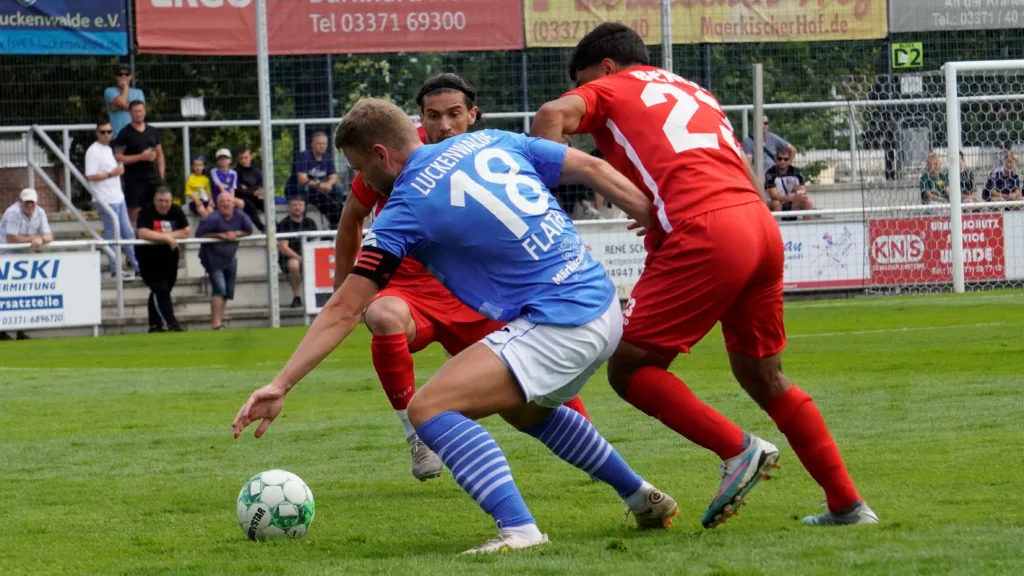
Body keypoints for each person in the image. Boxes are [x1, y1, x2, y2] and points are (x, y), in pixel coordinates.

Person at [233, 98, 678, 554]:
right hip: (598, 297)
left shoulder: (404, 208)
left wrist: (281, 384)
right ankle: (641, 496)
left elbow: (344, 310)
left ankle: (519, 531)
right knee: (525, 410)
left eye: (360, 167)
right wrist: (657, 224)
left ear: (382, 155)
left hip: (562, 320)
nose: (361, 180)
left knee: (429, 409)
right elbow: (591, 168)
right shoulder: (490, 140)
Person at [531, 22, 876, 527]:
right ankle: (847, 504)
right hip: (758, 224)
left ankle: (737, 450)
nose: (582, 94)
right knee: (763, 375)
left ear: (605, 68)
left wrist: (546, 197)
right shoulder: (695, 91)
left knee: (629, 368)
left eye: (583, 81)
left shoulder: (607, 87)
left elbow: (549, 116)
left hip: (707, 229)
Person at [333, 73, 592, 481]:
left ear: (473, 115)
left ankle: (593, 448)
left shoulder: (489, 153)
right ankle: (415, 435)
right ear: (420, 118)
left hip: (477, 295)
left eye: (454, 114)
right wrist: (344, 295)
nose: (444, 125)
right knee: (383, 317)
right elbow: (351, 219)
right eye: (433, 116)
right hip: (412, 295)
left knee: (537, 361)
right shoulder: (392, 158)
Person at [84, 118, 140, 278]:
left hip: (117, 197)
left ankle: (135, 264)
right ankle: (115, 268)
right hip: (105, 200)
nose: (106, 135)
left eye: (109, 132)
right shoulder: (93, 151)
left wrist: (116, 172)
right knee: (112, 235)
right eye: (103, 132)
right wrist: (111, 174)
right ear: (97, 133)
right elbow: (90, 175)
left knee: (128, 232)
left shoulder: (108, 149)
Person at [0, 188, 53, 341]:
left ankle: (19, 330)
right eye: (27, 202)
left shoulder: (40, 212)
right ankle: (2, 330)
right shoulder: (13, 213)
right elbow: (11, 238)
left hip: (22, 257)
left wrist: (41, 239)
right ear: (21, 202)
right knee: (5, 294)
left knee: (21, 294)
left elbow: (49, 235)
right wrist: (33, 238)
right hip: (5, 256)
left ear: (36, 202)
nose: (29, 205)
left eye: (32, 202)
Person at [136, 186, 190, 333]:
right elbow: (142, 232)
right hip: (149, 260)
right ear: (154, 200)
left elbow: (186, 232)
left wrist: (166, 237)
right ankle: (172, 323)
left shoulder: (176, 210)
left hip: (170, 259)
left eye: (167, 201)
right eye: (160, 201)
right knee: (161, 290)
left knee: (160, 292)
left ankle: (154, 325)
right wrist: (166, 237)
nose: (164, 204)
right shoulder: (147, 211)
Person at [196, 193, 253, 330]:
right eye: (222, 202)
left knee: (227, 291)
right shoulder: (211, 219)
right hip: (212, 258)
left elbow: (249, 230)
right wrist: (219, 235)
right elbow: (199, 234)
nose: (226, 204)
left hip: (230, 257)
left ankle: (219, 322)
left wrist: (236, 233)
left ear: (233, 203)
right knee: (219, 288)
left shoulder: (240, 216)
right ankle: (215, 325)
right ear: (217, 205)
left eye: (228, 201)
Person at [112, 100, 165, 227]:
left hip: (153, 178)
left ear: (145, 112)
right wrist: (140, 157)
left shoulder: (152, 131)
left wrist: (161, 176)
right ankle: (133, 240)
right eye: (135, 111)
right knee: (134, 210)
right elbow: (117, 156)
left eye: (140, 111)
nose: (138, 114)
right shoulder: (125, 133)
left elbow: (160, 154)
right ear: (130, 113)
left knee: (158, 207)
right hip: (134, 179)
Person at [286, 132, 342, 229]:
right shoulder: (304, 156)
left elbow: (334, 177)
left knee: (338, 189)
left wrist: (328, 184)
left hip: (319, 190)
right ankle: (303, 225)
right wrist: (320, 185)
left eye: (324, 144)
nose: (322, 146)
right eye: (319, 143)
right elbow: (302, 178)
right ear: (312, 144)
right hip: (301, 189)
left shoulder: (328, 157)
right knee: (306, 190)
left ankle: (337, 221)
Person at [277, 196, 318, 308]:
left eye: (300, 205)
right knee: (294, 264)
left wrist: (308, 256)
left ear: (304, 207)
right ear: (290, 207)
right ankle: (297, 296)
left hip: (309, 256)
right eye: (294, 205)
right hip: (290, 258)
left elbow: (317, 242)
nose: (297, 207)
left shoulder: (310, 222)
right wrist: (300, 258)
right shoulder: (284, 224)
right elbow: (283, 247)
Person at [765, 148, 813, 215]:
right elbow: (774, 196)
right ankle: (778, 225)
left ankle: (808, 225)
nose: (782, 161)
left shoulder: (795, 172)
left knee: (807, 203)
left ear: (790, 160)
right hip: (771, 203)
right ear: (776, 159)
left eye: (786, 159)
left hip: (788, 202)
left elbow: (801, 191)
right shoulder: (770, 173)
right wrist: (792, 198)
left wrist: (801, 196)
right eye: (780, 158)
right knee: (777, 204)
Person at [104, 64, 145, 138]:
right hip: (117, 136)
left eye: (127, 74)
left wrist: (119, 107)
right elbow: (122, 102)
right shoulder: (109, 91)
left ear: (131, 76)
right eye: (120, 74)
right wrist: (125, 87)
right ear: (116, 77)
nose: (123, 76)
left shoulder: (139, 92)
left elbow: (141, 111)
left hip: (136, 135)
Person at [235, 147, 266, 232]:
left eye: (246, 157)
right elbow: (237, 190)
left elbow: (260, 186)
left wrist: (250, 189)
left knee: (266, 204)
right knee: (249, 205)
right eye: (241, 158)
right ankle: (262, 228)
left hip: (255, 198)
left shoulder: (256, 172)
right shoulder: (235, 172)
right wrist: (252, 191)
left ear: (251, 157)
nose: (243, 160)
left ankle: (276, 226)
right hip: (243, 199)